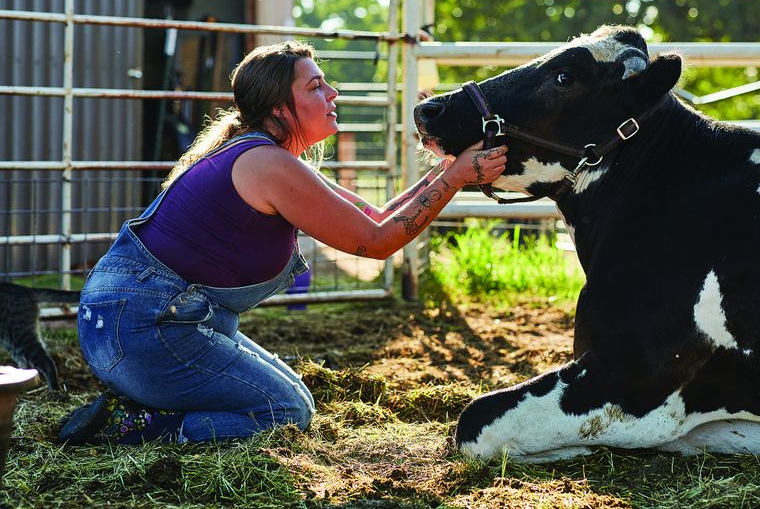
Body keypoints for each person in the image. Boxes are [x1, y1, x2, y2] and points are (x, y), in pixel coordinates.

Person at [58, 40, 507, 445]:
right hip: (141, 328)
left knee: (294, 399)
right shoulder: (266, 164)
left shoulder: (266, 156)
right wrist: (455, 177)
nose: (333, 94)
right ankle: (139, 425)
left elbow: (374, 215)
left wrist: (448, 169)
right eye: (315, 87)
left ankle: (142, 402)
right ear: (278, 107)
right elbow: (376, 242)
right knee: (285, 411)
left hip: (138, 322)